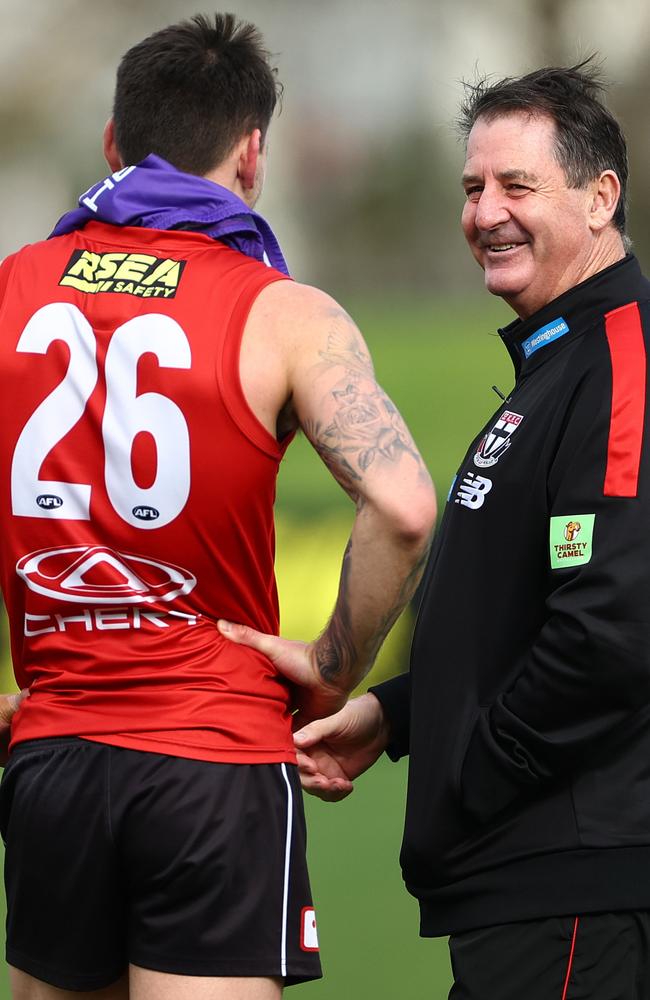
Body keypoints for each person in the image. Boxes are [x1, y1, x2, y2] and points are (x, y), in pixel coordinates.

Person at [0, 13, 436, 1000]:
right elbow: (404, 505)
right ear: (252, 154)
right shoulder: (282, 312)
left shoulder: (10, 289)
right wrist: (331, 668)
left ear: (113, 144)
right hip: (209, 757)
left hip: (54, 756)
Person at [224, 61, 650, 998]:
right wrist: (403, 715)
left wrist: (475, 777)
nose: (485, 212)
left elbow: (613, 633)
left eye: (516, 186)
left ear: (600, 198)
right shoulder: (559, 363)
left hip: (571, 884)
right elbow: (524, 612)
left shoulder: (621, 361)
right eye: (471, 188)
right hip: (525, 885)